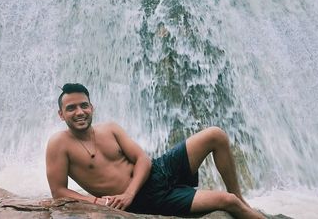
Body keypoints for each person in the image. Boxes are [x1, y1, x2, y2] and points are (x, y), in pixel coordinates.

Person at [46, 83, 265, 218]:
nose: (79, 112)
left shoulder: (110, 128)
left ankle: (240, 196)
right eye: (71, 108)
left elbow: (142, 158)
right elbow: (59, 191)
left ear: (92, 107)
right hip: (147, 199)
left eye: (84, 105)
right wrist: (99, 202)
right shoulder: (59, 144)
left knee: (215, 134)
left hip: (158, 171)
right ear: (61, 114)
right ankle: (237, 203)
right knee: (228, 202)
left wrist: (128, 192)